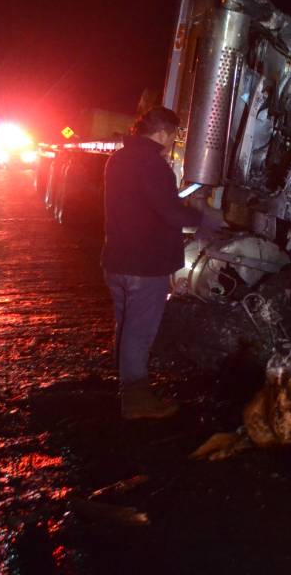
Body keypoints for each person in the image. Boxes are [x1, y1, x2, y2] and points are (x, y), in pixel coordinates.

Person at [102, 106, 213, 419]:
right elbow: (169, 212)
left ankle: (126, 386)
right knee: (139, 331)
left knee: (125, 326)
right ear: (163, 132)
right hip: (145, 264)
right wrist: (201, 219)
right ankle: (136, 401)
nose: (174, 139)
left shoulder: (118, 159)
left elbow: (145, 204)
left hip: (117, 260)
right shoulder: (152, 164)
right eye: (175, 133)